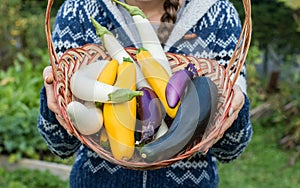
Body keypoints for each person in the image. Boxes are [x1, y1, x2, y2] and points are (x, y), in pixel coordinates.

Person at [39, 0, 253, 187]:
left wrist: (235, 107)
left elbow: (230, 149)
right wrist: (57, 94)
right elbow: (60, 144)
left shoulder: (219, 14)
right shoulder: (79, 10)